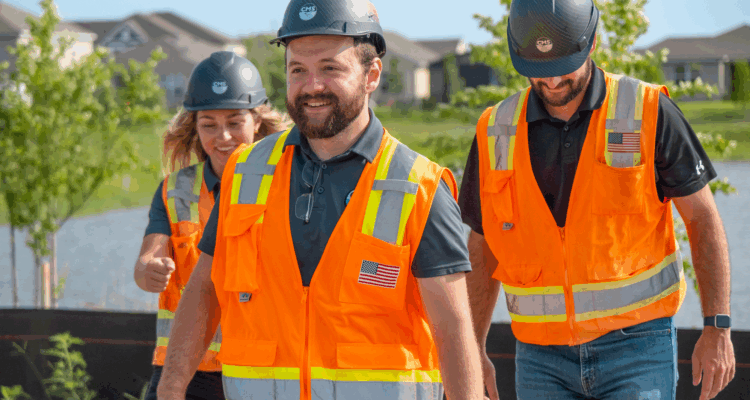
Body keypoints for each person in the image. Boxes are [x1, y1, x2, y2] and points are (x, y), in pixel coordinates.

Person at [156, 1, 485, 399]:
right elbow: (203, 291)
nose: (312, 85)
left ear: (371, 75)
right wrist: (170, 389)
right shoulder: (246, 172)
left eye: (330, 68)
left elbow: (454, 333)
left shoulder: (419, 187)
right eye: (298, 70)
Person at [459, 0, 735, 399]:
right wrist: (472, 347)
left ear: (590, 45)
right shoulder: (494, 131)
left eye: (562, 69)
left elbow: (703, 220)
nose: (552, 83)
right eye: (539, 72)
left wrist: (717, 326)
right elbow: (482, 247)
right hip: (540, 356)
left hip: (637, 347)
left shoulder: (649, 111)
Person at [133, 51, 290, 400]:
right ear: (194, 127)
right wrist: (150, 270)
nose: (223, 137)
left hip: (257, 367)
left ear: (258, 123)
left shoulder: (285, 186)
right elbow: (145, 265)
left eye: (235, 123)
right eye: (209, 125)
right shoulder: (175, 190)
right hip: (181, 370)